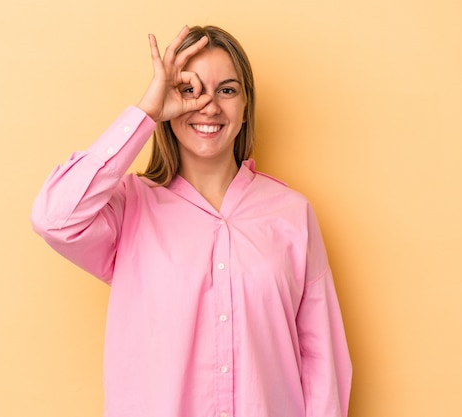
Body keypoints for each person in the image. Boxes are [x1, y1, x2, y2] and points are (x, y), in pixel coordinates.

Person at [31, 25, 352, 417]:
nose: (209, 106)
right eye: (190, 90)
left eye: (227, 90)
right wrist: (146, 112)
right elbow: (54, 218)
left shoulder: (292, 214)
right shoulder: (127, 208)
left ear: (246, 103)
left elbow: (322, 364)